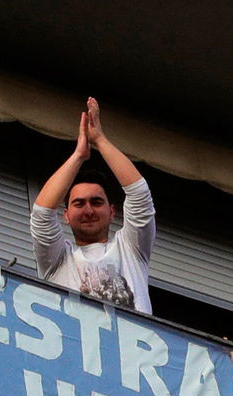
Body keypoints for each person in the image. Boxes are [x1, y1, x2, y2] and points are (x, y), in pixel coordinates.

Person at [31, 97, 157, 313]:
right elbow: (42, 214)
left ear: (112, 211)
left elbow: (139, 195)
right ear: (67, 215)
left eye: (96, 202)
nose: (88, 210)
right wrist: (79, 155)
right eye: (79, 204)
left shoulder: (131, 248)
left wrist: (100, 140)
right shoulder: (59, 260)